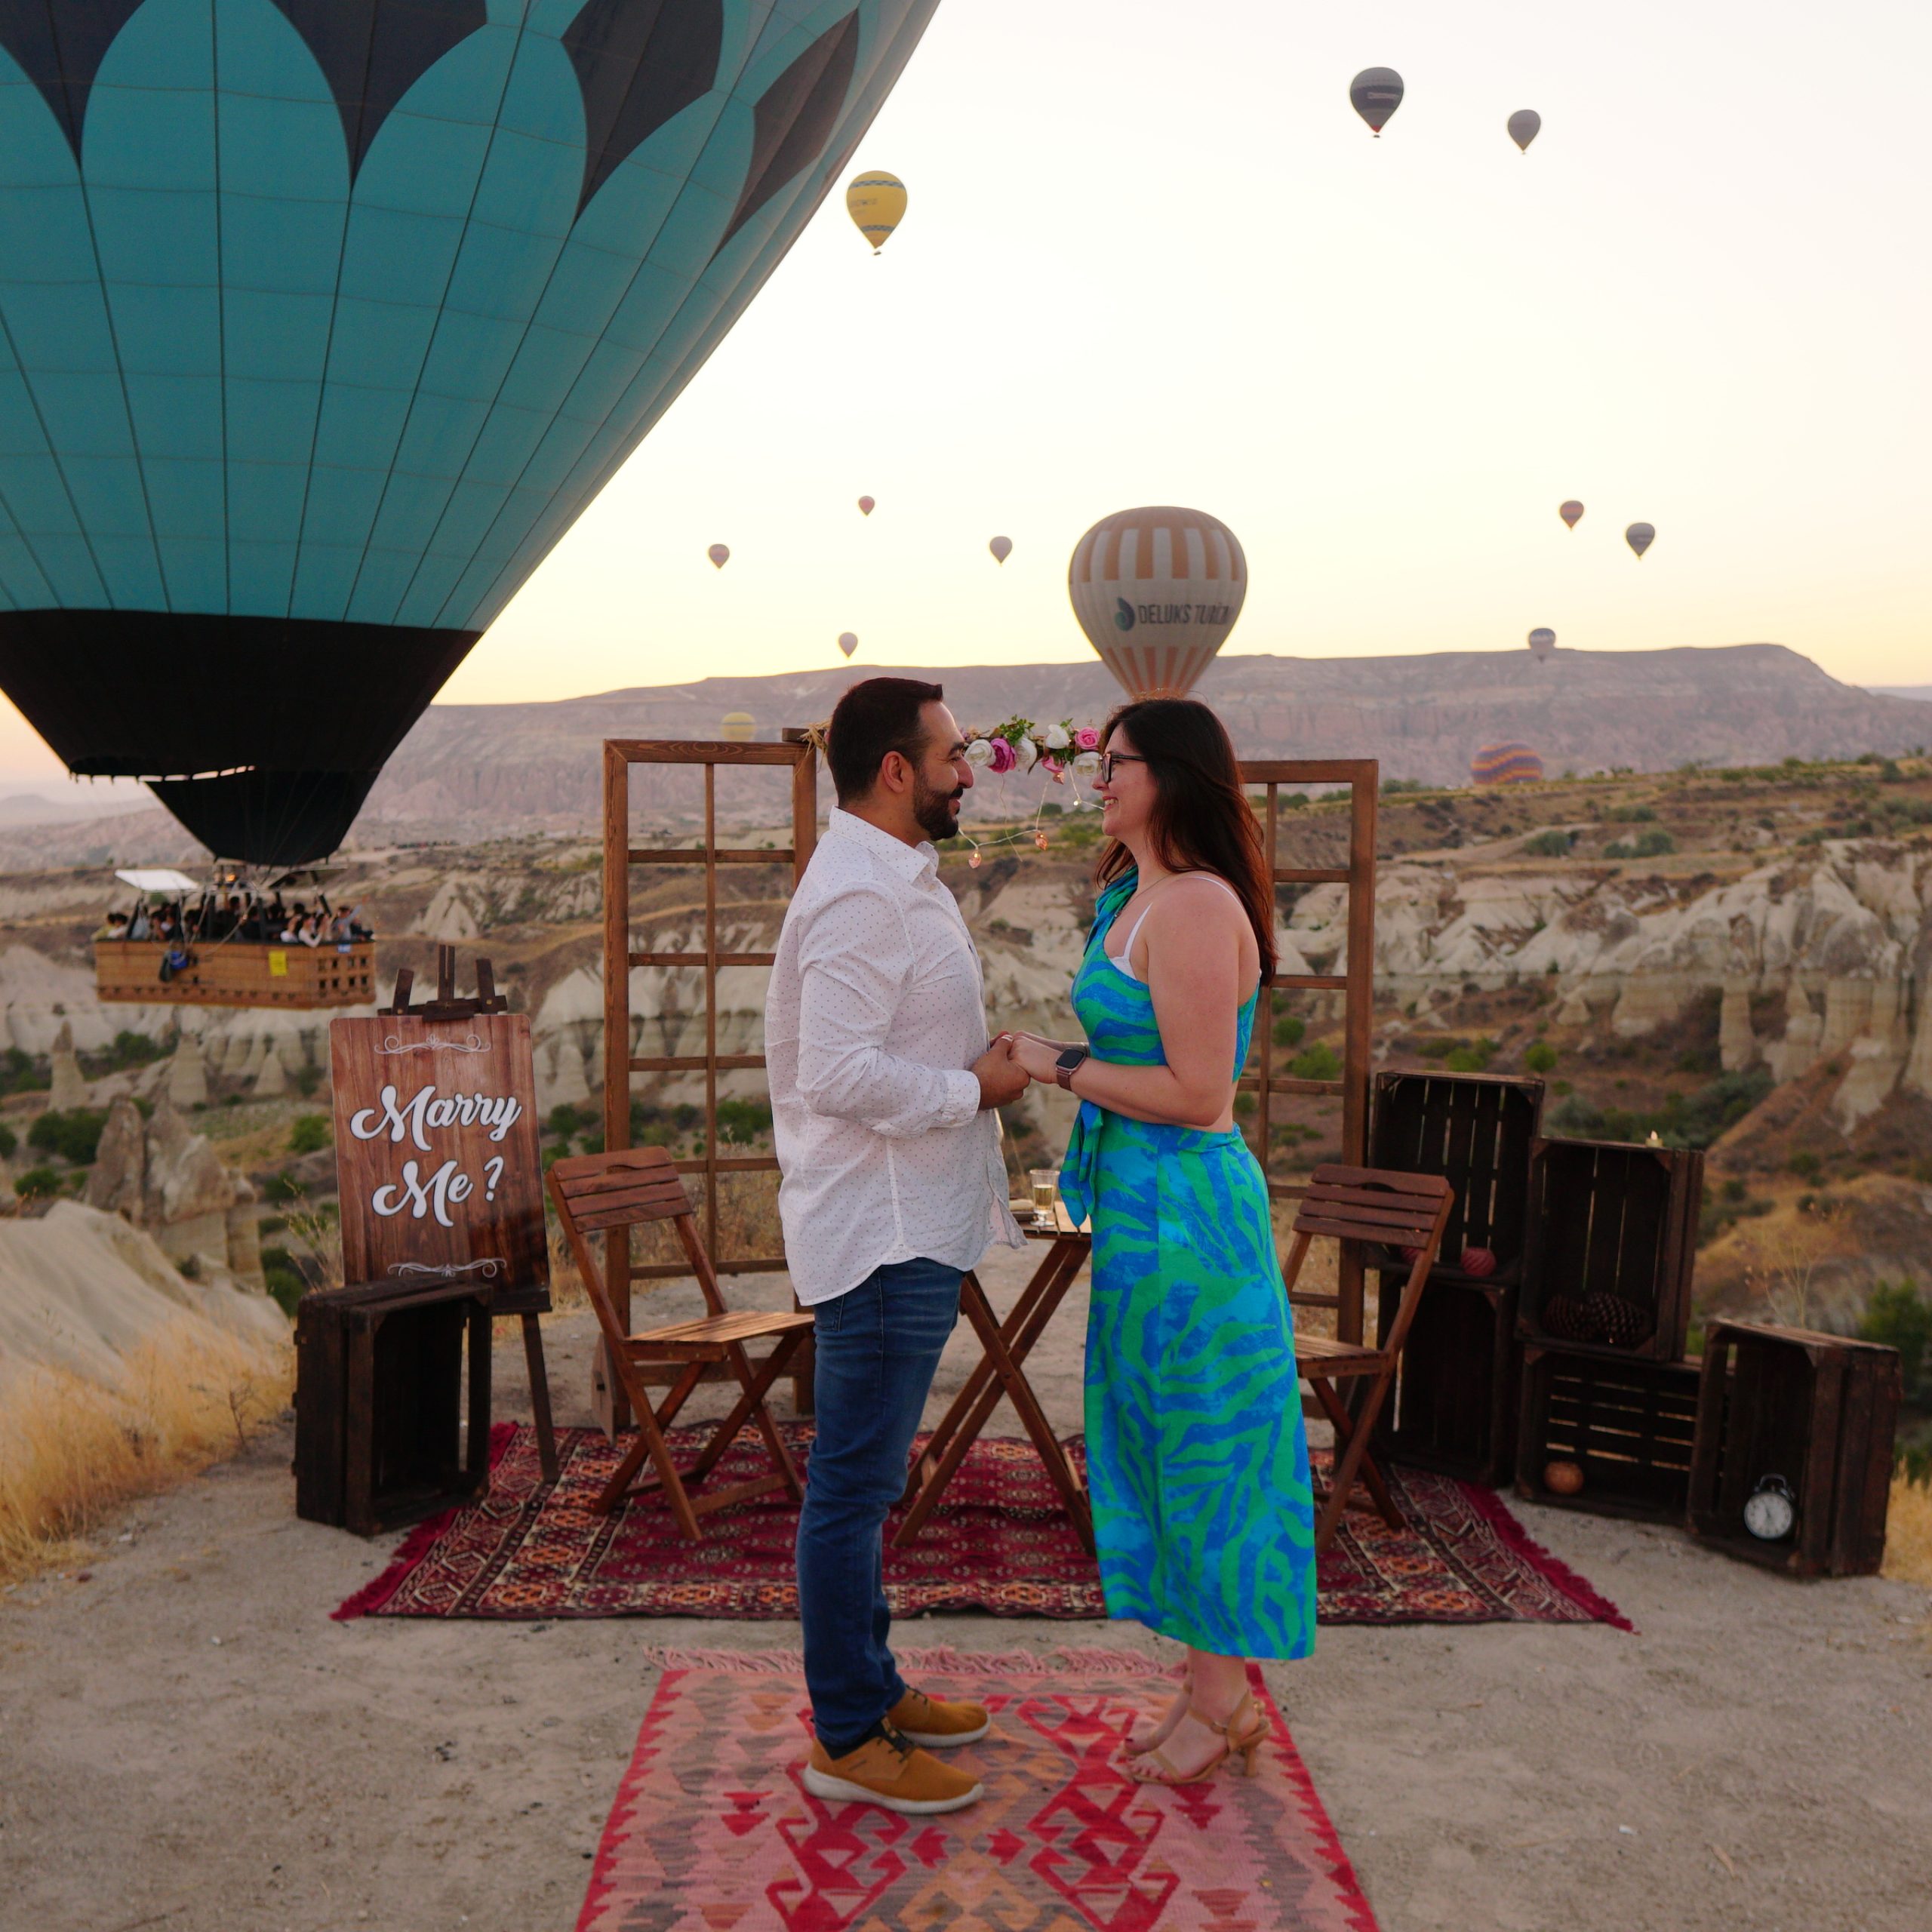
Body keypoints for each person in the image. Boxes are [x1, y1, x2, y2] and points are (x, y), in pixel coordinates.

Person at [1008, 697, 1317, 1784]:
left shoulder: (1191, 906)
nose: (1100, 776)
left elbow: (1197, 1092)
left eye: (1117, 760)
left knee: (1209, 1452)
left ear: (1171, 775)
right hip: (1145, 1217)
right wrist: (1062, 1053)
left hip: (1191, 1218)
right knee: (1154, 1445)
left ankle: (1224, 1705)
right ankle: (1206, 1691)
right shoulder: (1135, 896)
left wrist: (1060, 1067)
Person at [766, 675, 1029, 1817]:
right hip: (879, 1231)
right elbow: (835, 1074)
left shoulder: (893, 877)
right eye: (953, 755)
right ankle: (847, 1735)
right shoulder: (865, 898)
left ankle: (870, 1690)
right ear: (895, 770)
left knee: (869, 1483)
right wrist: (974, 1087)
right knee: (853, 1486)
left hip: (911, 1218)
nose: (969, 770)